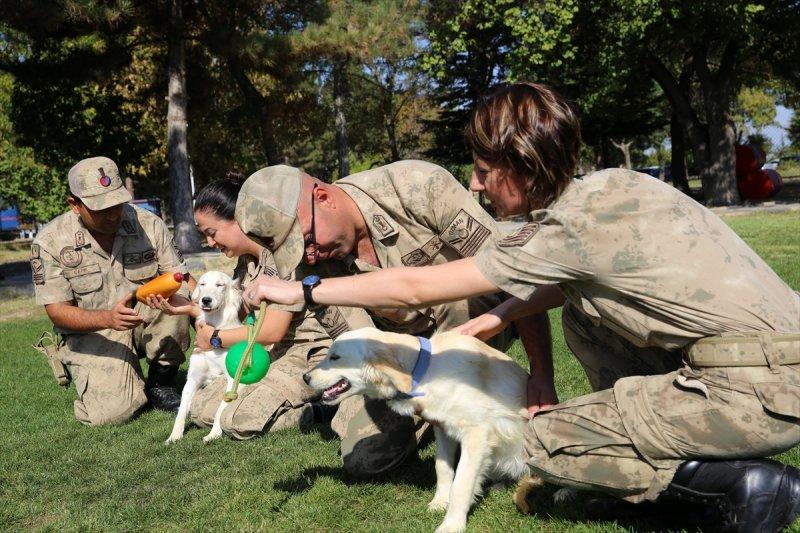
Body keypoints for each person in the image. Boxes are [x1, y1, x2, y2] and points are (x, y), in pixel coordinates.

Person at [243, 83, 800, 531]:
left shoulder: (564, 230)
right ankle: (663, 468)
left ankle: (742, 486)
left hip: (759, 390)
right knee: (583, 312)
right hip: (773, 366)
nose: (476, 184)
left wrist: (305, 291)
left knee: (539, 445)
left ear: (521, 162)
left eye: (485, 171)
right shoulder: (616, 187)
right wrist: (503, 315)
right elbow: (572, 281)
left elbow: (414, 288)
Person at [233, 161, 553, 477]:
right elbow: (362, 344)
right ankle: (441, 416)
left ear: (323, 197)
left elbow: (515, 279)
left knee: (458, 299)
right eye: (299, 252)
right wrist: (405, 393)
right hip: (405, 357)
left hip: (475, 323)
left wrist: (542, 376)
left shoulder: (419, 187)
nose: (310, 256)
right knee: (365, 459)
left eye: (307, 240)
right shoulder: (312, 267)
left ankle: (483, 400)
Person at [146, 177, 341, 438]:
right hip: (267, 352)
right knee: (202, 409)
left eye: (211, 233)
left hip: (304, 352)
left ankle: (325, 410)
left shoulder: (282, 255)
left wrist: (214, 338)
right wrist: (191, 310)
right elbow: (242, 318)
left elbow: (271, 331)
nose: (210, 242)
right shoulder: (246, 262)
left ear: (239, 220)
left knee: (238, 419)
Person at [31, 156, 190, 425]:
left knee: (175, 293)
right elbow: (57, 312)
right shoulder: (50, 242)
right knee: (112, 414)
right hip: (95, 330)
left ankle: (162, 382)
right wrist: (108, 319)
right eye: (100, 208)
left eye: (116, 203)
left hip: (145, 319)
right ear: (75, 205)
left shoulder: (149, 225)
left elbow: (182, 278)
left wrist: (213, 328)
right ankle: (104, 376)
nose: (112, 214)